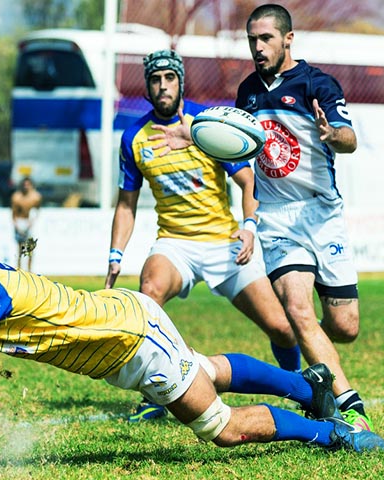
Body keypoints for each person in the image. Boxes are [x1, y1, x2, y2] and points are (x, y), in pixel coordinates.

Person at [0, 232, 384, 479]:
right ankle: (309, 390)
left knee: (219, 426)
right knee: (208, 370)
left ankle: (332, 434)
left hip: (132, 343)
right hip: (120, 326)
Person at [105, 49, 300, 422]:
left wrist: (249, 227)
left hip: (225, 243)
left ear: (180, 82)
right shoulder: (134, 137)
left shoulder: (208, 125)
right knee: (150, 294)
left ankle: (296, 383)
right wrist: (116, 256)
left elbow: (248, 182)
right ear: (147, 87)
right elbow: (126, 204)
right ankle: (156, 393)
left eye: (169, 78)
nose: (163, 86)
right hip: (175, 243)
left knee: (281, 328)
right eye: (155, 79)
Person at [235, 4, 371, 430]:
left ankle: (320, 366)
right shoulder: (247, 92)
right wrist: (252, 220)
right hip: (277, 216)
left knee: (344, 326)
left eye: (266, 39)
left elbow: (349, 138)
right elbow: (243, 154)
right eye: (252, 40)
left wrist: (333, 134)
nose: (258, 48)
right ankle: (349, 405)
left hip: (321, 214)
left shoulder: (317, 83)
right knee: (297, 309)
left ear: (288, 39)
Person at [10, 176, 42, 271]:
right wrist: (16, 225)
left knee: (30, 248)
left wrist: (31, 222)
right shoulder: (17, 197)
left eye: (28, 185)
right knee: (20, 249)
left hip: (29, 223)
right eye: (25, 185)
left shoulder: (36, 197)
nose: (26, 187)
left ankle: (29, 271)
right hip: (20, 222)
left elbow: (37, 211)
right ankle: (19, 270)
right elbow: (13, 213)